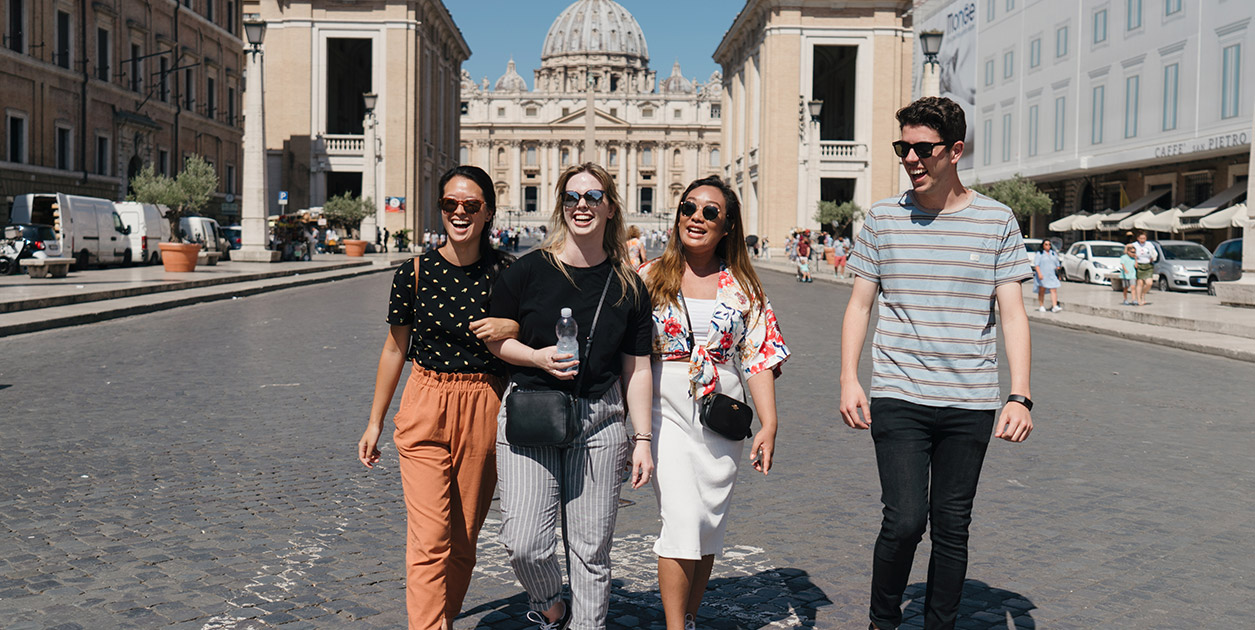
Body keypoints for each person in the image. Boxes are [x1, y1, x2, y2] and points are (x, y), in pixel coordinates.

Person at [839, 97, 1034, 630]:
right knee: (904, 521)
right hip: (898, 393)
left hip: (971, 399)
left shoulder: (997, 220)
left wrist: (1019, 393)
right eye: (904, 148)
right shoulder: (882, 218)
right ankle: (883, 622)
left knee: (952, 525)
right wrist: (848, 378)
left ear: (955, 151)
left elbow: (1012, 313)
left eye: (922, 149)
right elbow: (860, 305)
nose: (911, 159)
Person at [486, 162, 655, 630]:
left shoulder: (628, 285)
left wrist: (641, 439)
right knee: (524, 542)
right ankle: (551, 604)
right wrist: (538, 358)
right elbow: (497, 341)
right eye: (572, 197)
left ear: (610, 206)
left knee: (590, 551)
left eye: (593, 197)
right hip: (530, 413)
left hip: (601, 418)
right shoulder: (525, 272)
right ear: (562, 205)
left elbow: (637, 368)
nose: (582, 205)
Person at [357, 165, 519, 630]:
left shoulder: (508, 275)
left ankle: (441, 616)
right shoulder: (413, 273)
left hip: (484, 405)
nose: (460, 213)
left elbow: (531, 335)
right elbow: (394, 348)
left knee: (463, 541)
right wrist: (375, 422)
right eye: (450, 204)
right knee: (430, 539)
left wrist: (513, 326)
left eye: (471, 205)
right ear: (441, 209)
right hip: (425, 401)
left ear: (488, 212)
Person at [638, 176, 789, 630]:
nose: (696, 218)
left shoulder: (743, 286)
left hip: (721, 411)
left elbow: (759, 356)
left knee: (707, 526)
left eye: (710, 212)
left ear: (728, 227)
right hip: (664, 405)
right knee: (682, 519)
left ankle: (690, 616)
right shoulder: (647, 277)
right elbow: (625, 351)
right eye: (689, 208)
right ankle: (675, 626)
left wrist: (769, 422)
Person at [1034, 239, 1062, 312]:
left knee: (1053, 289)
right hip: (1043, 275)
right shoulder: (1040, 254)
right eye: (1046, 244)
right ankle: (1041, 305)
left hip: (1052, 274)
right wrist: (1039, 273)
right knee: (1042, 290)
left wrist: (1059, 274)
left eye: (1049, 244)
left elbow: (1057, 264)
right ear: (1043, 245)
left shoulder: (1053, 253)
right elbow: (1037, 265)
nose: (1048, 246)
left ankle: (1054, 306)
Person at [1131, 230, 1158, 306]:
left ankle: (1143, 293)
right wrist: (1135, 261)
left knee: (1149, 283)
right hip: (1139, 265)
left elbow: (1154, 253)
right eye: (1141, 238)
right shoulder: (1134, 245)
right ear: (1138, 238)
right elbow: (1131, 253)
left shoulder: (1149, 244)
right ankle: (1139, 299)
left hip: (1148, 265)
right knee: (1140, 283)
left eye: (1144, 238)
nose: (1143, 240)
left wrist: (1153, 257)